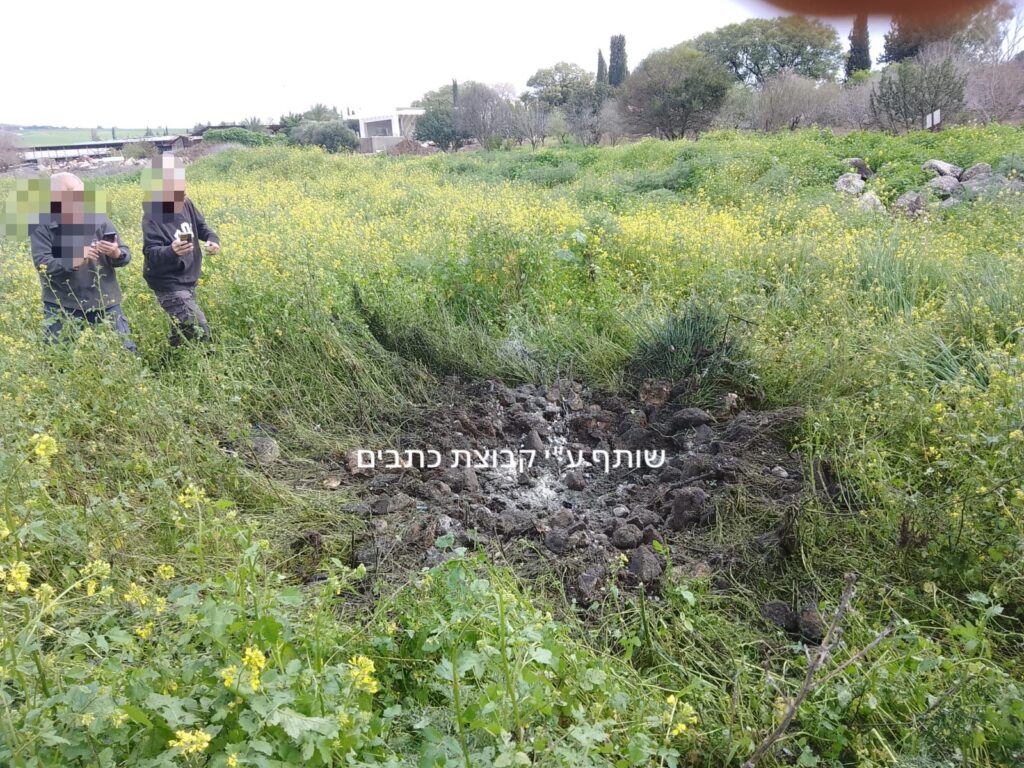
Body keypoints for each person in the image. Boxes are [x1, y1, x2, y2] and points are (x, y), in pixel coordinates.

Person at [29, 172, 137, 353]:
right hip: (63, 305)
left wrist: (117, 253)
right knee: (61, 358)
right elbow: (42, 263)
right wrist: (72, 261)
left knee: (125, 353)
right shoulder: (42, 224)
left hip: (105, 301)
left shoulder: (98, 218)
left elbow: (125, 254)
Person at [141, 155, 220, 347]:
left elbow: (202, 227)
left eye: (183, 189)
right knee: (198, 325)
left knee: (182, 328)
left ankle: (170, 359)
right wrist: (172, 250)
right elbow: (150, 253)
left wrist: (212, 240)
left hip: (187, 277)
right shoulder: (153, 215)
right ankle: (208, 364)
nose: (182, 195)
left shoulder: (187, 203)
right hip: (168, 282)